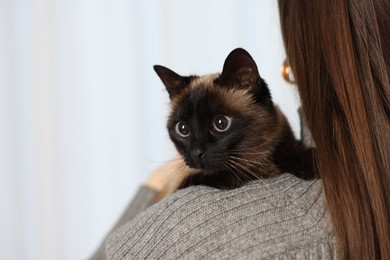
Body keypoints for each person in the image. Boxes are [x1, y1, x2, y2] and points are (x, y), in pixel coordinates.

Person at [91, 0, 390, 259]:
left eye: (220, 124)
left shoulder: (186, 228)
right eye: (183, 130)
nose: (196, 149)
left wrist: (154, 189)